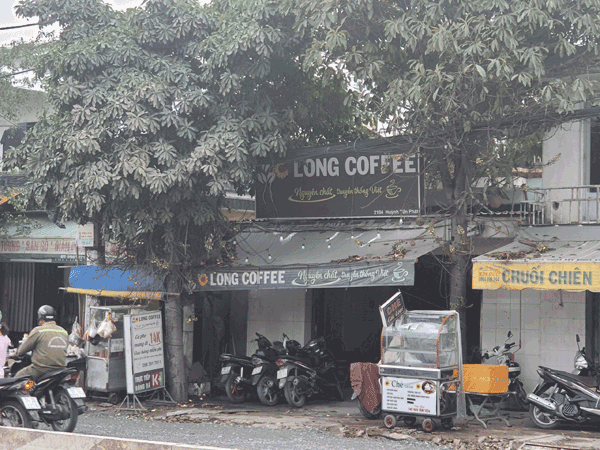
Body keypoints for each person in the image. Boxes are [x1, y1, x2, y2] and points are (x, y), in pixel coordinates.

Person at [15, 305, 68, 380]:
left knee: (18, 377)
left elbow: (20, 352)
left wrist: (16, 352)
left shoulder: (38, 331)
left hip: (41, 370)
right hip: (61, 369)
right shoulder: (64, 332)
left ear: (41, 318)